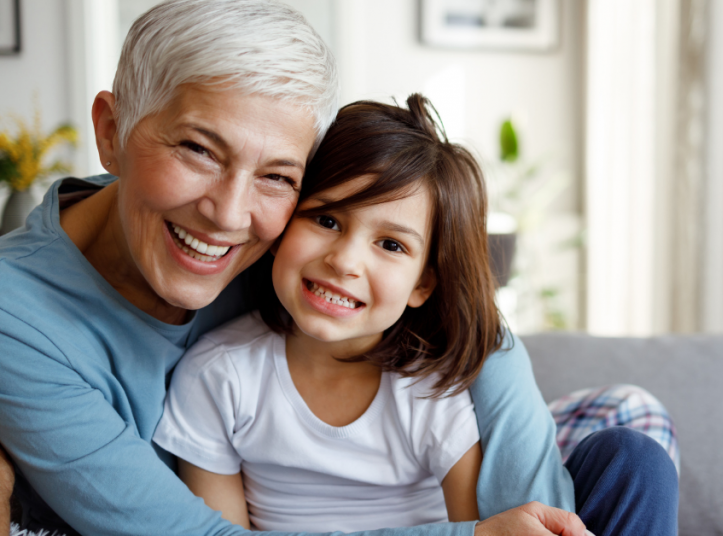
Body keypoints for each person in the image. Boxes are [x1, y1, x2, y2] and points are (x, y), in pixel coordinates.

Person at [0, 1, 679, 535]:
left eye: (277, 175)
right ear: (111, 131)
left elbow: (466, 325)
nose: (230, 214)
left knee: (631, 447)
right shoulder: (18, 314)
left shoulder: (281, 239)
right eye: (197, 149)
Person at [153, 95, 507, 531]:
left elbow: (478, 527)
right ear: (282, 226)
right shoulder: (218, 376)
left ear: (422, 284)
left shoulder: (432, 391)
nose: (344, 261)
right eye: (326, 221)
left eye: (391, 245)